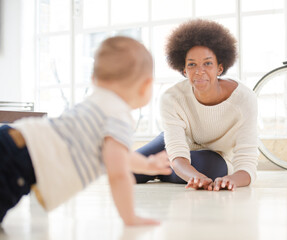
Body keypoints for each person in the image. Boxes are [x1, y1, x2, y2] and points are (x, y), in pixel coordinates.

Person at [0, 36, 172, 226]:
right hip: (17, 160)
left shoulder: (99, 103)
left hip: (14, 141)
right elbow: (118, 172)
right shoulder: (118, 115)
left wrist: (146, 164)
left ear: (94, 79)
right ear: (146, 86)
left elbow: (117, 155)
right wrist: (129, 217)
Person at [135, 19, 258, 191]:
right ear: (184, 70)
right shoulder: (171, 98)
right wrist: (193, 176)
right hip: (176, 145)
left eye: (208, 63)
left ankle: (157, 168)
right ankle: (164, 169)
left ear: (220, 68)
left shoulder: (244, 99)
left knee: (210, 170)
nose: (200, 71)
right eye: (192, 65)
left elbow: (247, 162)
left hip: (216, 157)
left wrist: (232, 180)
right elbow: (178, 154)